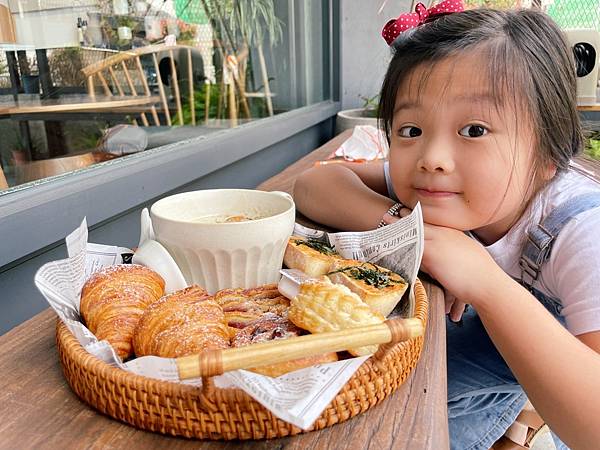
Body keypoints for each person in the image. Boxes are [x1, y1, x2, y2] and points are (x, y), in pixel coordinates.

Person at [293, 6, 600, 450]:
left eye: (474, 129)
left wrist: (486, 283)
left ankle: (524, 410)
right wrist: (403, 226)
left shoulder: (581, 229)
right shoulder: (438, 173)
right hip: (496, 336)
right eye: (411, 128)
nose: (431, 156)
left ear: (548, 154)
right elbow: (314, 184)